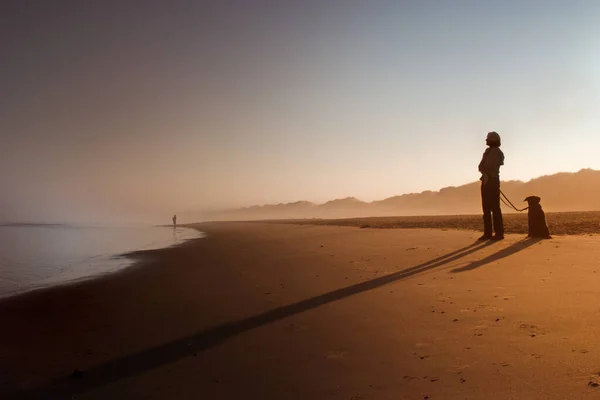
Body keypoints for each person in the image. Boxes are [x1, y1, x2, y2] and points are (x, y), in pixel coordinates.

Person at [478, 131, 504, 240]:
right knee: (487, 208)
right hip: (487, 180)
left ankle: (498, 233)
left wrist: (484, 169)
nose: (486, 140)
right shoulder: (489, 151)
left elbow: (485, 166)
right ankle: (488, 233)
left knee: (494, 208)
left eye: (488, 138)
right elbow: (481, 166)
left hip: (491, 180)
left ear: (492, 140)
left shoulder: (495, 152)